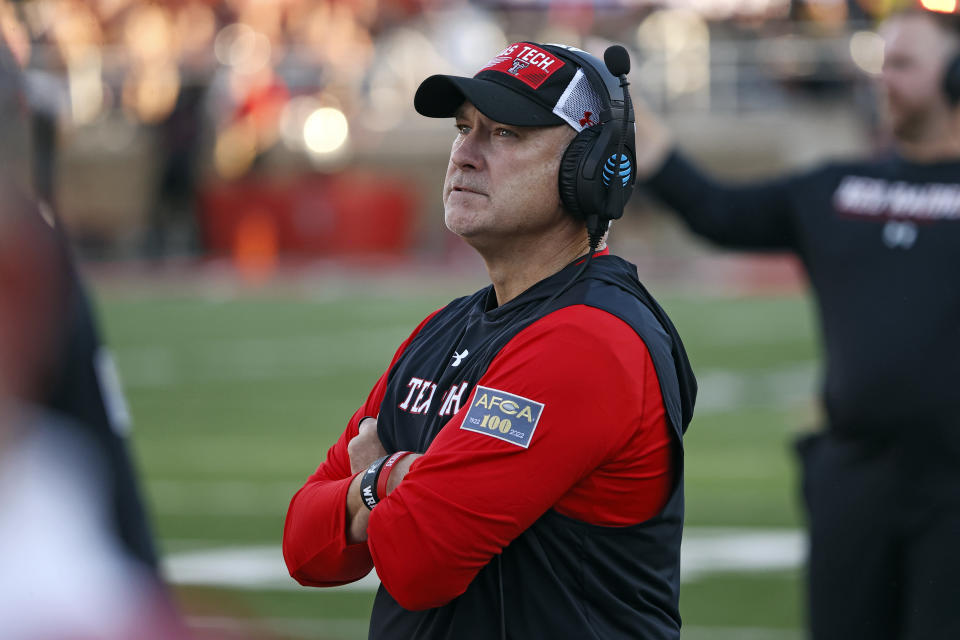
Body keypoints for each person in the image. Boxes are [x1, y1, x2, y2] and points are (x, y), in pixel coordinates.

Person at [283, 42, 696, 639]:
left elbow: (417, 562)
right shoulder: (442, 328)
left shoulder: (590, 340)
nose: (465, 156)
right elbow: (305, 546)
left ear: (591, 168)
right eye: (462, 129)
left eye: (505, 133)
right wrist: (391, 483)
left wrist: (367, 489)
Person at [635, 8, 960, 640]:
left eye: (904, 64)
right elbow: (718, 211)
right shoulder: (838, 188)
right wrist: (643, 133)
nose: (882, 80)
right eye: (880, 62)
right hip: (853, 481)